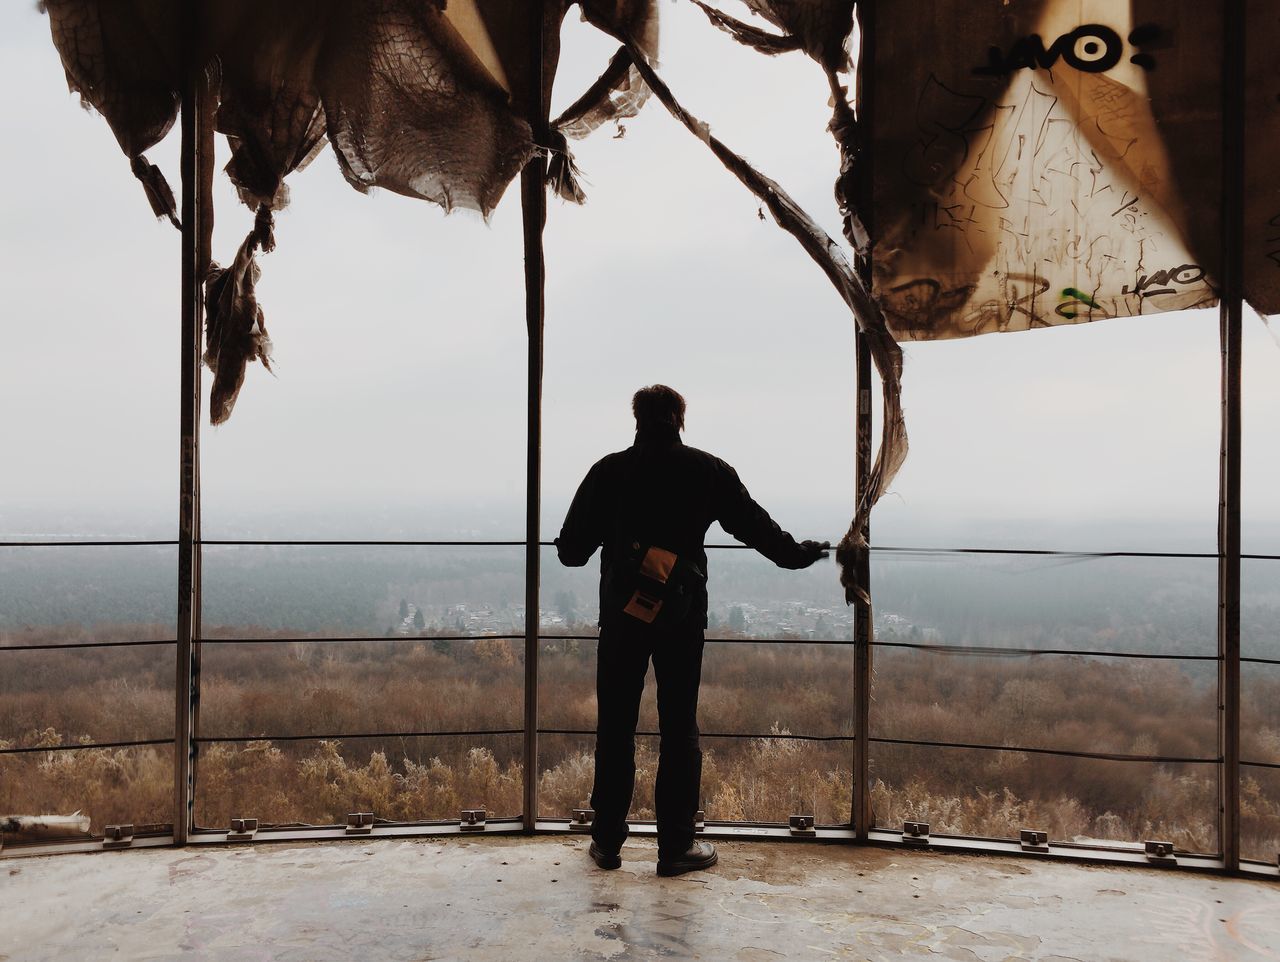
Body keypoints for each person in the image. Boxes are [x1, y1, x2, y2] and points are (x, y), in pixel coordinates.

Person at [555, 384, 829, 877]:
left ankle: (608, 842)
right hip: (681, 619)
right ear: (681, 420)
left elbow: (571, 551)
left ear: (636, 419)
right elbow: (762, 533)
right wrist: (807, 551)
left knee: (615, 726)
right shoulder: (707, 471)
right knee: (679, 726)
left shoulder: (609, 472)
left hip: (622, 619)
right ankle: (676, 846)